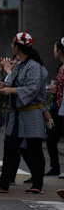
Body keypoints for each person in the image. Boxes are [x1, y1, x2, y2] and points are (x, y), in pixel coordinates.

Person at [0, 32, 48, 195]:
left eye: (12, 44)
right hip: (16, 114)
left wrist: (10, 89)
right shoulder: (20, 64)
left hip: (31, 113)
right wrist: (2, 82)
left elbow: (32, 89)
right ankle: (4, 182)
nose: (11, 47)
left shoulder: (35, 66)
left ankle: (37, 184)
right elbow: (9, 83)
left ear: (17, 47)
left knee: (34, 149)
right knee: (10, 147)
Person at [44, 38, 64, 177]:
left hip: (63, 107)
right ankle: (55, 167)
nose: (54, 51)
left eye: (55, 48)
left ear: (60, 51)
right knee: (51, 139)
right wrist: (54, 90)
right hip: (58, 107)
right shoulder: (59, 67)